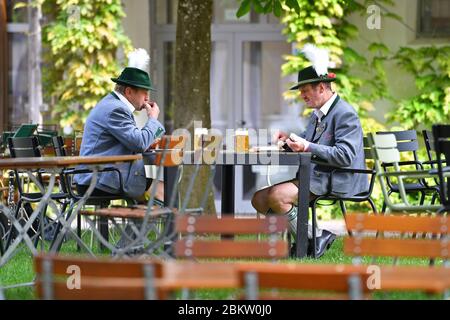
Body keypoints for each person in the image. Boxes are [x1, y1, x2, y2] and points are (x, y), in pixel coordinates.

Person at [251, 44, 368, 258]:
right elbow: (306, 142)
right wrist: (288, 139)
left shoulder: (345, 114)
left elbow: (345, 156)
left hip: (339, 178)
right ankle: (316, 236)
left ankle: (305, 243)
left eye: (305, 90)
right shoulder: (316, 114)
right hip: (314, 176)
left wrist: (307, 146)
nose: (302, 96)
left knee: (277, 196)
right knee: (258, 199)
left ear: (322, 88)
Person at [74, 48, 165, 203]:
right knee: (161, 186)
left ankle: (141, 225)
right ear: (129, 91)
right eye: (144, 93)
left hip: (98, 175)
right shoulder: (117, 109)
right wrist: (153, 118)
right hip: (98, 179)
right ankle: (172, 223)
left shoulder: (113, 104)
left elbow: (133, 142)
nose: (147, 98)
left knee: (154, 183)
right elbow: (139, 143)